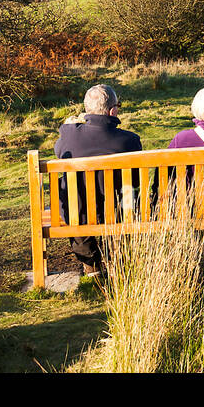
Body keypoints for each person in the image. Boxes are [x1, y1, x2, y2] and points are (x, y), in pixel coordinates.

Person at [53, 84, 142, 276]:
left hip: (79, 211)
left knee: (74, 203)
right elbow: (134, 181)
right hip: (119, 210)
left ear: (86, 110)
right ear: (113, 110)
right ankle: (117, 257)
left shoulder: (70, 136)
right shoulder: (130, 140)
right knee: (128, 195)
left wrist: (66, 128)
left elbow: (59, 152)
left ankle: (91, 265)